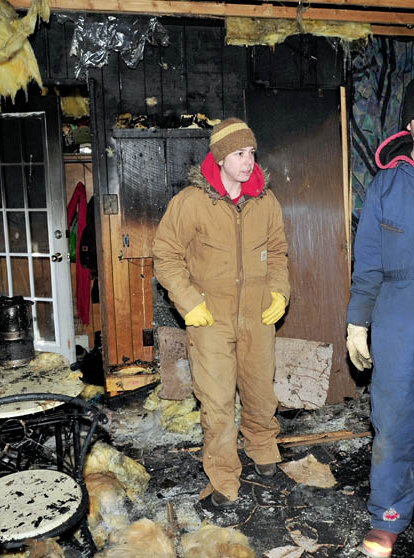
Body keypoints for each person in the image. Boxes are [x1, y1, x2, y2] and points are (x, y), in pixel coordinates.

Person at [152, 118, 290, 507]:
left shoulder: (265, 201)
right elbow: (166, 255)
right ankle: (225, 478)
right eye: (239, 154)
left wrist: (279, 292)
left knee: (261, 392)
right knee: (217, 403)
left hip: (257, 314)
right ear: (219, 158)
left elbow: (278, 252)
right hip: (210, 316)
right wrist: (188, 301)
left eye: (251, 153)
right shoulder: (192, 202)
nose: (248, 162)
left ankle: (263, 448)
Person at [345, 72, 414, 557]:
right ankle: (388, 515)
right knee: (392, 422)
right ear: (409, 125)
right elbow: (368, 260)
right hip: (398, 314)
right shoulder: (386, 184)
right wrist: (357, 322)